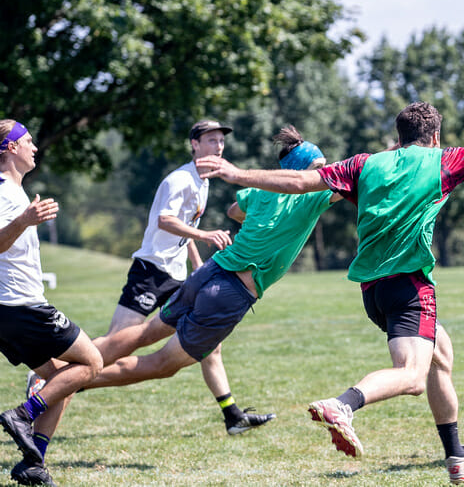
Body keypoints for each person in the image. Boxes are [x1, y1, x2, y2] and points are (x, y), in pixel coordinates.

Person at [196, 101, 464, 484]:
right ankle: (343, 405)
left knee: (441, 354)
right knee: (411, 376)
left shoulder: (364, 164)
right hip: (410, 285)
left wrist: (236, 173)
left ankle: (457, 456)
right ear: (435, 137)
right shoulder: (443, 160)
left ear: (398, 137)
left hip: (373, 291)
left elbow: (297, 183)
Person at [85, 128, 341, 431]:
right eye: (318, 167)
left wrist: (264, 224)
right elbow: (357, 179)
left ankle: (63, 370)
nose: (326, 172)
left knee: (146, 333)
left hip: (207, 272)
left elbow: (235, 210)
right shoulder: (311, 198)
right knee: (162, 364)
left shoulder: (259, 191)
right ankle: (66, 381)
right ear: (299, 171)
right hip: (227, 292)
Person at [0, 119, 104, 486]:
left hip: (14, 308)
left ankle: (33, 462)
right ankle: (22, 415)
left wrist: (27, 217)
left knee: (61, 379)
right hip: (19, 306)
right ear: (10, 148)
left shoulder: (14, 192)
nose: (35, 147)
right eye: (28, 141)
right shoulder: (3, 194)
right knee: (92, 362)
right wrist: (25, 220)